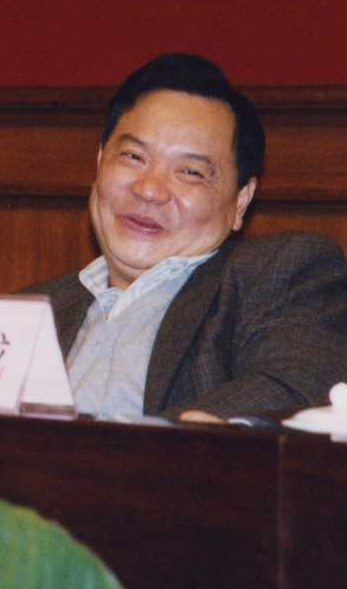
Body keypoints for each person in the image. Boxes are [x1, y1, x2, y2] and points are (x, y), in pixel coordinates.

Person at [25, 53, 347, 422]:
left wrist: (139, 444)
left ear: (241, 200)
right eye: (133, 156)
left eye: (190, 172)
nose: (149, 190)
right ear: (99, 162)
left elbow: (295, 385)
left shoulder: (276, 275)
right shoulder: (32, 308)